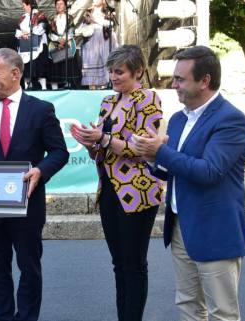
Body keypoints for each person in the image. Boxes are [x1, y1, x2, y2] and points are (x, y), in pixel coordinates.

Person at [130, 46, 245, 321]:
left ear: (205, 81)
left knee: (222, 312)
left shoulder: (230, 120)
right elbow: (172, 169)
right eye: (174, 78)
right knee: (187, 304)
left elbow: (209, 171)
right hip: (180, 226)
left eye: (180, 79)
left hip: (215, 229)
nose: (174, 85)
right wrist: (151, 158)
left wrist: (160, 152)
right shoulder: (177, 119)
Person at [0, 48, 69, 321]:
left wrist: (40, 171)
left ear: (15, 73)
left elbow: (59, 152)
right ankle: (2, 316)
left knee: (29, 269)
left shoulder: (41, 110)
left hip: (27, 207)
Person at [70, 45, 162, 321]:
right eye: (111, 71)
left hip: (138, 191)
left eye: (119, 71)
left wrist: (104, 139)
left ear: (138, 72)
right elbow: (102, 152)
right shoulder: (108, 102)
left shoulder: (148, 99)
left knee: (134, 265)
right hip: (109, 190)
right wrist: (89, 143)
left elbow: (143, 149)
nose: (114, 77)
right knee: (119, 264)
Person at [78, 0, 115, 89]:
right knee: (91, 62)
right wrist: (87, 22)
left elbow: (110, 24)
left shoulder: (108, 11)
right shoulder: (88, 11)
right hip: (91, 39)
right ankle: (93, 87)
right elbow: (82, 28)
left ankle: (106, 85)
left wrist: (94, 19)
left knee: (106, 61)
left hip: (104, 38)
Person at [16, 0, 51, 90]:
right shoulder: (23, 17)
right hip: (26, 46)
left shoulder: (39, 15)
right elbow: (17, 31)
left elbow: (42, 28)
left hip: (38, 46)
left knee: (40, 69)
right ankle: (28, 88)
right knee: (27, 69)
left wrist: (28, 32)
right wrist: (22, 34)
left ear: (30, 5)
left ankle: (43, 88)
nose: (23, 7)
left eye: (24, 5)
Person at [47, 0, 80, 89]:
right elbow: (50, 33)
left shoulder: (69, 18)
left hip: (67, 42)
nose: (59, 6)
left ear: (65, 6)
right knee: (55, 65)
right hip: (55, 44)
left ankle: (67, 85)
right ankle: (55, 86)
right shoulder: (52, 18)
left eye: (61, 4)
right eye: (57, 4)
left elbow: (71, 30)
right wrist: (58, 40)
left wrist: (64, 40)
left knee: (67, 65)